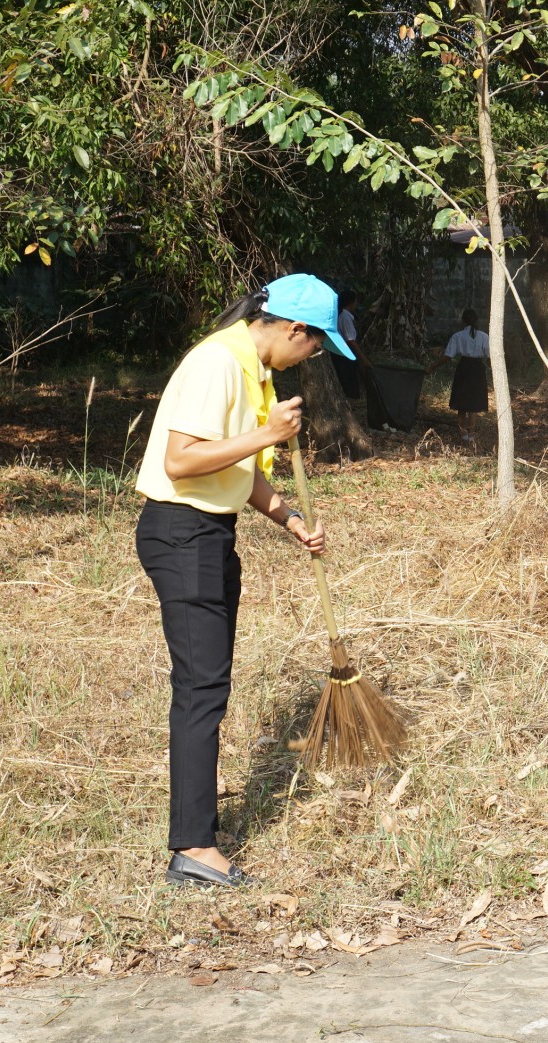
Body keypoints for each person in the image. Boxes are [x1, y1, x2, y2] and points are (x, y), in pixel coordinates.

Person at [135, 274, 350, 887]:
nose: (312, 358)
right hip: (182, 532)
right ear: (294, 329)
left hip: (210, 534)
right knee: (201, 688)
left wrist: (290, 519)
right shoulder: (219, 364)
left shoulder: (254, 371)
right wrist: (267, 434)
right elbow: (181, 459)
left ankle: (196, 833)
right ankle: (193, 848)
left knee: (210, 685)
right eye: (316, 346)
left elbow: (238, 469)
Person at [430, 308, 488, 441]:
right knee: (473, 404)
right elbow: (489, 354)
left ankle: (463, 435)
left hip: (464, 368)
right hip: (478, 369)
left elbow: (448, 356)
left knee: (462, 403)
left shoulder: (458, 336)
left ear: (463, 321)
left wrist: (432, 367)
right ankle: (471, 435)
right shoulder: (484, 336)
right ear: (477, 320)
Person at [332, 290, 363, 401]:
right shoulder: (345, 317)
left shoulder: (340, 315)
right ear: (351, 302)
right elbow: (350, 340)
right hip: (345, 354)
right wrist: (363, 358)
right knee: (348, 382)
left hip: (339, 353)